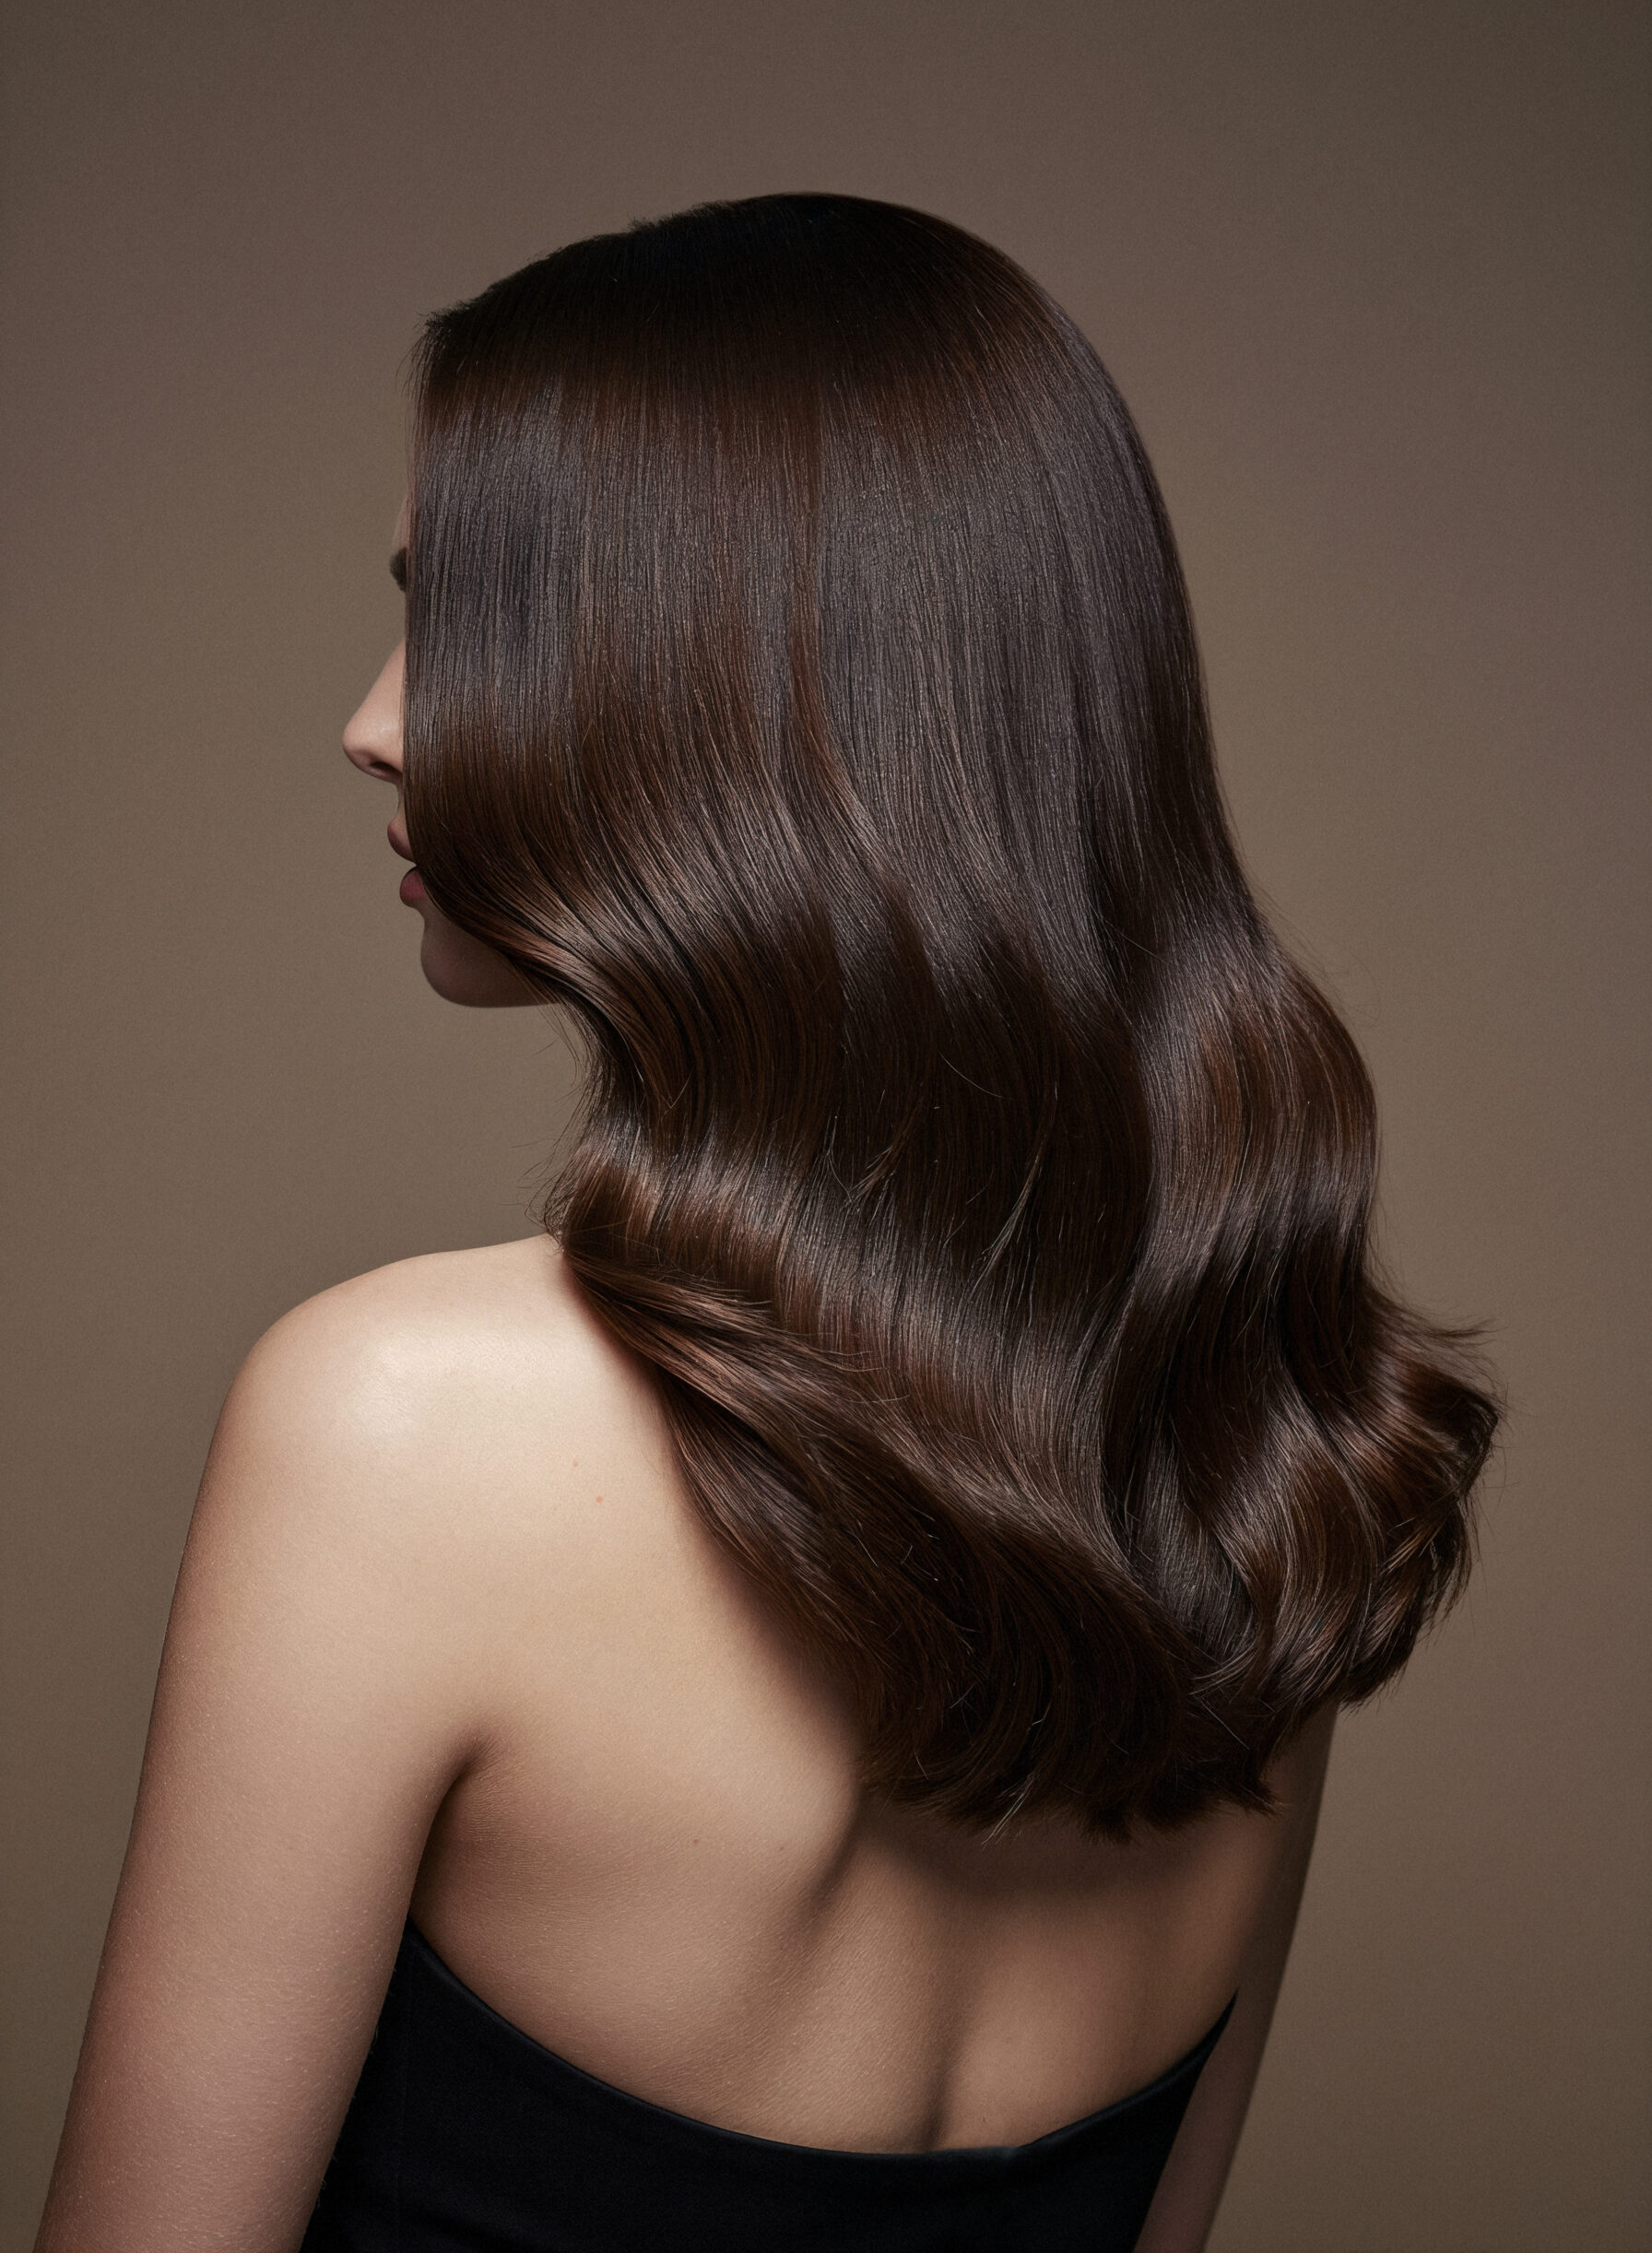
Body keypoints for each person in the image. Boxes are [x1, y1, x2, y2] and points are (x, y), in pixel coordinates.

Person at [33, 194, 1495, 2253]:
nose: (373, 716)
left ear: (724, 686)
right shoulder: (1249, 1439)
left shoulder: (399, 1424)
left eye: (457, 614)